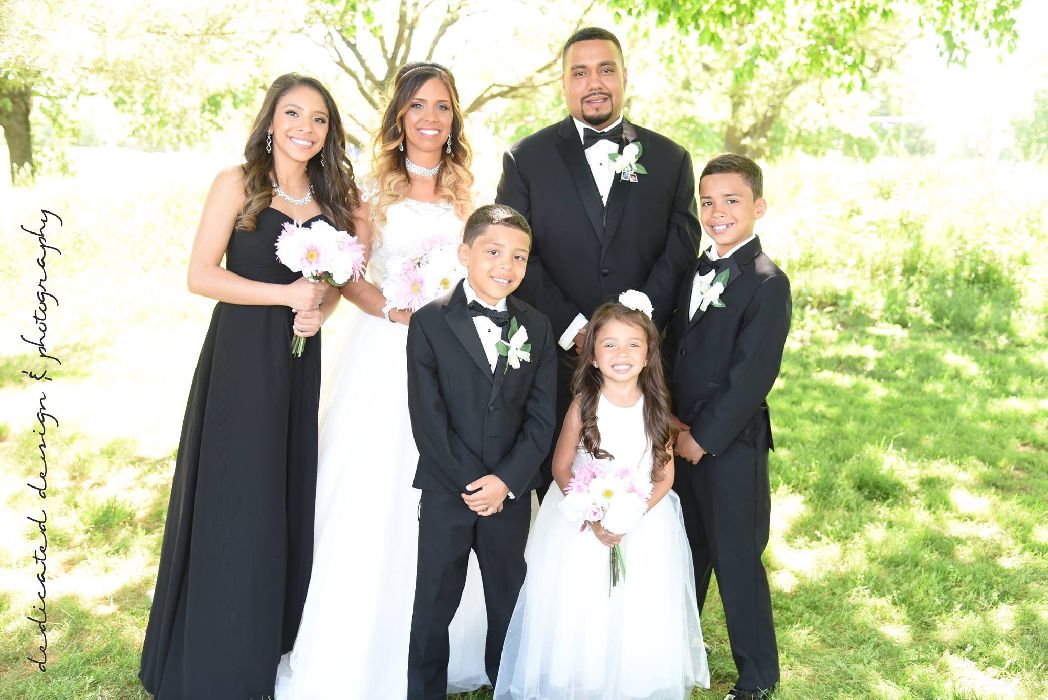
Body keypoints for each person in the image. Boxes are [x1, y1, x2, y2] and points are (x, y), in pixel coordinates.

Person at [139, 73, 359, 698]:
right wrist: (284, 297)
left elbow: (331, 287)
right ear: (270, 120)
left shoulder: (332, 198)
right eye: (293, 114)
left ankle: (267, 643)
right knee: (237, 495)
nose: (305, 128)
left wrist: (319, 311)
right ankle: (219, 652)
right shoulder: (236, 184)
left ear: (328, 132)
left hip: (297, 360)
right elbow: (201, 275)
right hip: (240, 358)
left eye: (318, 119)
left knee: (282, 493)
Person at [274, 62, 489, 697]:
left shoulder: (465, 191)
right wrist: (395, 312)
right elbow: (352, 273)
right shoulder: (370, 190)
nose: (430, 118)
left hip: (453, 353)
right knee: (378, 485)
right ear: (399, 115)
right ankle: (359, 645)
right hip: (388, 350)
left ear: (454, 118)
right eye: (417, 105)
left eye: (442, 106)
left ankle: (448, 640)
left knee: (446, 480)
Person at [495, 26, 701, 498]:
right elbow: (515, 253)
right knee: (560, 488)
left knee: (646, 486)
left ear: (625, 76)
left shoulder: (671, 159)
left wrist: (634, 329)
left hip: (643, 366)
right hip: (555, 360)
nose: (594, 83)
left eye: (606, 70)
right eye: (580, 72)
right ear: (563, 82)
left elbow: (680, 247)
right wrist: (574, 327)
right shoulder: (525, 159)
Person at [495, 294, 709, 699]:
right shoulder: (583, 405)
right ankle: (582, 677)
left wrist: (629, 515)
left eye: (633, 344)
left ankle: (629, 680)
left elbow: (664, 476)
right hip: (581, 524)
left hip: (643, 523)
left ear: (648, 355)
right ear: (592, 356)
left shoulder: (657, 408)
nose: (621, 354)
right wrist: (592, 514)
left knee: (635, 602)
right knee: (583, 602)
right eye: (609, 344)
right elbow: (561, 467)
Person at [406, 204, 556, 699]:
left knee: (508, 600)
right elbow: (428, 419)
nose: (506, 266)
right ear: (465, 253)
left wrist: (506, 482)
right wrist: (472, 485)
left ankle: (507, 686)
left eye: (519, 256)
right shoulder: (429, 322)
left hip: (508, 494)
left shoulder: (537, 326)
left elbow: (541, 419)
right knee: (434, 602)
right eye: (493, 252)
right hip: (447, 489)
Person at [663, 153, 792, 699]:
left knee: (736, 557)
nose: (717, 212)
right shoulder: (693, 271)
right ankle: (678, 653)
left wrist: (703, 437)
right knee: (686, 551)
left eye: (731, 201)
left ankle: (758, 675)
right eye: (708, 202)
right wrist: (670, 422)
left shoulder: (767, 282)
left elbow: (751, 377)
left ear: (758, 207)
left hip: (730, 445)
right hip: (677, 436)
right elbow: (675, 346)